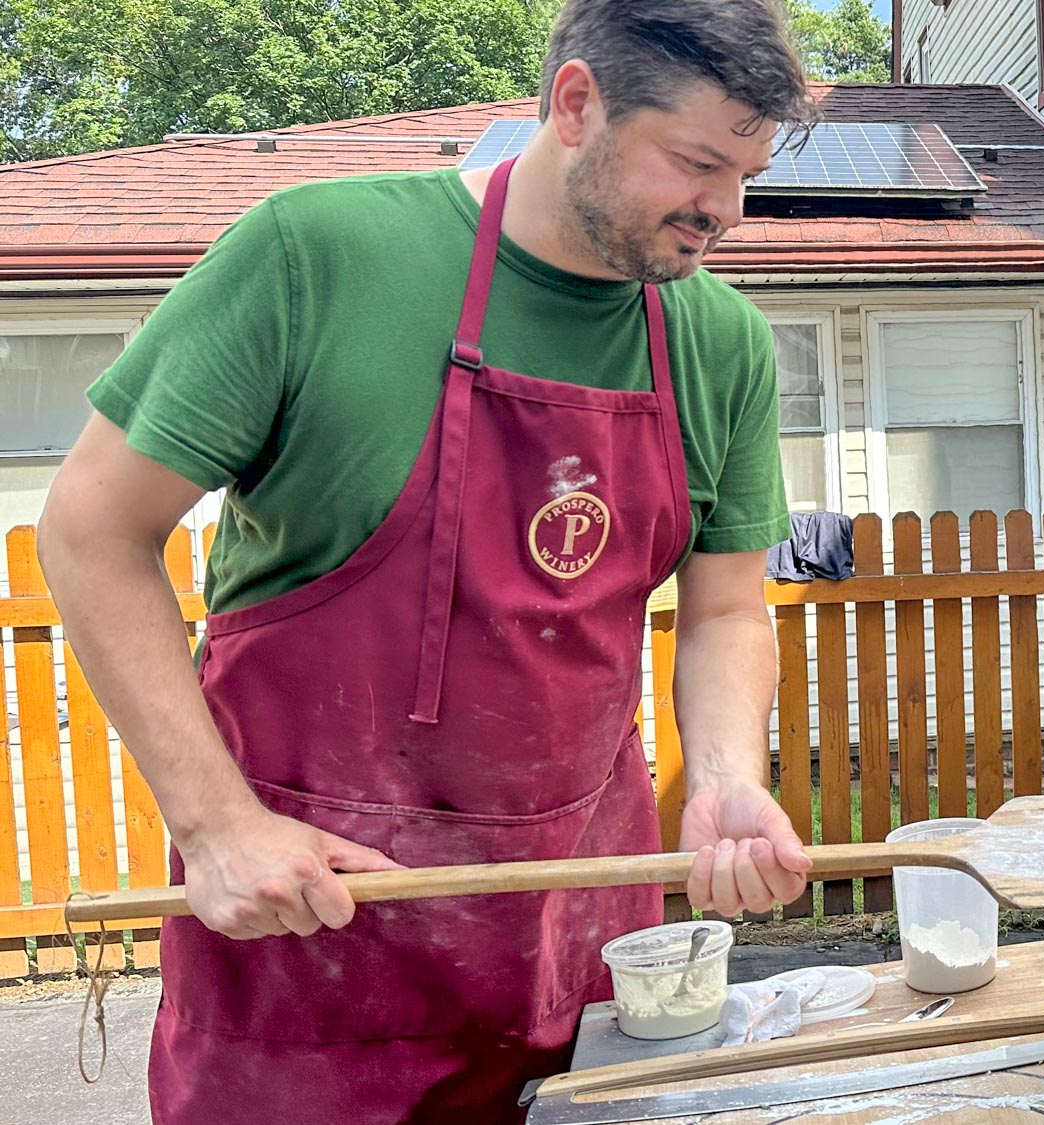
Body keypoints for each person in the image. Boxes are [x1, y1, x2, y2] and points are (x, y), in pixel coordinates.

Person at [35, 1, 817, 1119]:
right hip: (308, 933)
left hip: (578, 932)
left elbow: (727, 610)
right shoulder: (318, 256)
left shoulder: (720, 343)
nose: (724, 211)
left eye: (746, 174)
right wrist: (214, 827)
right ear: (576, 104)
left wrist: (733, 779)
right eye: (696, 163)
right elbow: (91, 528)